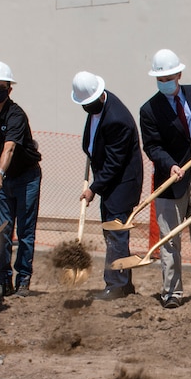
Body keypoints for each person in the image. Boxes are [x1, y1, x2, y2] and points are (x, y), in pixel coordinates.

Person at [139, 49, 191, 308]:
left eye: (169, 78)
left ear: (179, 74)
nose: (165, 83)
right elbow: (152, 146)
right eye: (160, 79)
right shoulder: (149, 109)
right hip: (170, 182)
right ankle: (172, 293)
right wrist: (170, 165)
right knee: (169, 240)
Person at [72, 71, 143, 300]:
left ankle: (117, 285)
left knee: (116, 233)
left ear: (99, 96)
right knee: (112, 234)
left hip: (121, 184)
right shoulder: (98, 109)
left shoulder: (116, 119)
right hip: (110, 182)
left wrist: (94, 188)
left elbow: (115, 163)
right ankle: (125, 283)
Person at [0, 61, 42, 300]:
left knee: (25, 232)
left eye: (1, 87)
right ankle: (2, 281)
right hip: (5, 180)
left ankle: (23, 280)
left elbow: (10, 148)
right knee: (2, 232)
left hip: (26, 178)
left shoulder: (16, 115)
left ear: (9, 89)